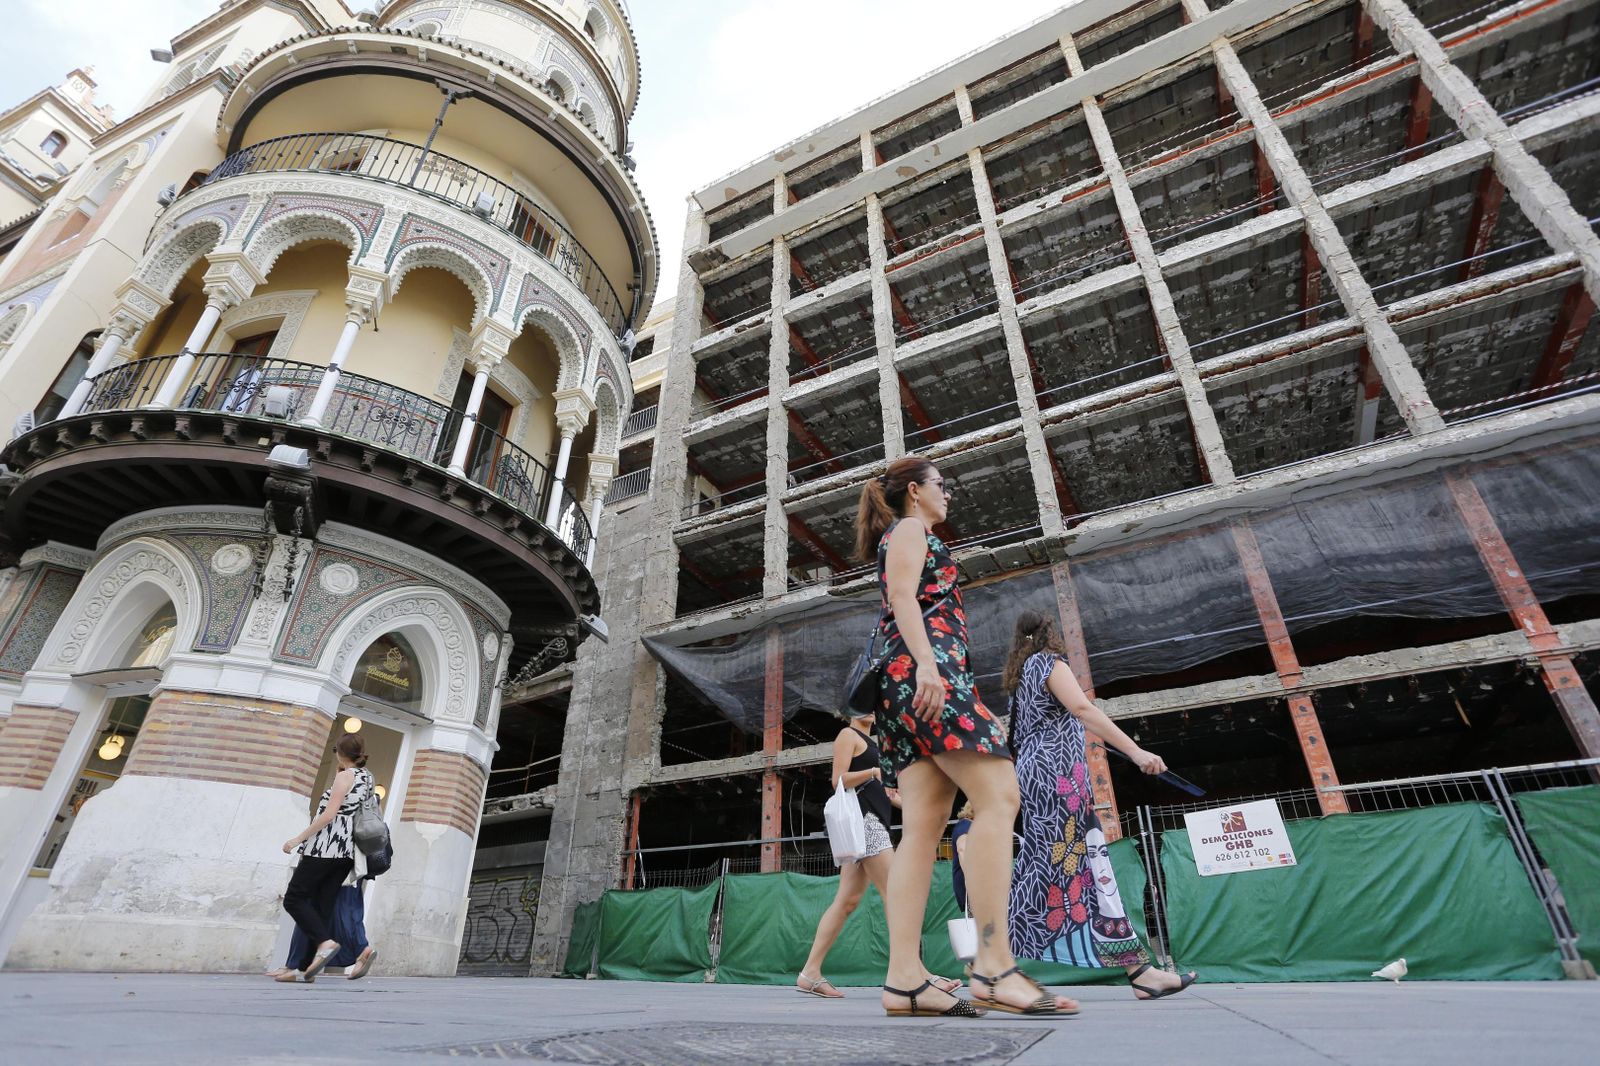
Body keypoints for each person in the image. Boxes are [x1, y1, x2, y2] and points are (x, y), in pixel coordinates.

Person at [857, 456, 1076, 1018]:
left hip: (904, 687)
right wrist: (929, 666)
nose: (947, 495)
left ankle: (905, 980)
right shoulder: (909, 529)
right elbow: (903, 598)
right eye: (941, 486)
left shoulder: (907, 534)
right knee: (1000, 796)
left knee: (924, 828)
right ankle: (993, 964)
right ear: (914, 491)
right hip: (927, 679)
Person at [1002, 610, 1197, 1000]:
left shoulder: (1020, 681)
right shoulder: (1047, 663)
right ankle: (1139, 971)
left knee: (1052, 867)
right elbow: (1084, 710)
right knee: (1081, 866)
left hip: (1037, 779)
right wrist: (1136, 751)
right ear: (1050, 634)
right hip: (1059, 779)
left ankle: (997, 964)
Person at [796, 711, 960, 1000]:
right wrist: (873, 773)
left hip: (870, 821)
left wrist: (907, 802)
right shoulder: (848, 736)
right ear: (846, 710)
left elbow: (883, 790)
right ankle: (917, 972)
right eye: (860, 703)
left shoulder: (872, 743)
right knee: (896, 894)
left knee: (847, 901)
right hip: (866, 822)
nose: (869, 709)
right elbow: (838, 781)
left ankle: (810, 972)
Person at [275, 733, 378, 983]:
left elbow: (330, 815)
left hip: (326, 846)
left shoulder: (345, 776)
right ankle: (301, 969)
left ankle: (325, 942)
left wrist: (297, 839)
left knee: (294, 898)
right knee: (321, 907)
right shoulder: (369, 778)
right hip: (346, 852)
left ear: (339, 753)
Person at [949, 802, 974, 913]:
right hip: (974, 890)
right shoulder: (966, 826)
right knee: (985, 925)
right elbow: (962, 849)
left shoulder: (966, 825)